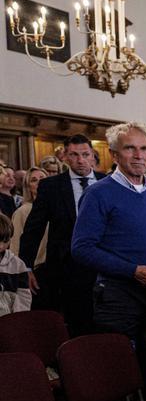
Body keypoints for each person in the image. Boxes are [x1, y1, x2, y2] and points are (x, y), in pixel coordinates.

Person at [70, 122, 146, 342]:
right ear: (114, 155)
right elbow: (81, 248)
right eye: (130, 148)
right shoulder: (97, 194)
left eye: (144, 149)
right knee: (121, 367)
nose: (138, 155)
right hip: (118, 298)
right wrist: (132, 270)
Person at [19, 135, 104, 335]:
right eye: (74, 155)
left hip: (105, 264)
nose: (80, 160)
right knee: (77, 324)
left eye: (85, 154)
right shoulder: (51, 186)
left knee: (106, 321)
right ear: (65, 156)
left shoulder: (107, 182)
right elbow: (33, 229)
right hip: (67, 268)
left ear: (92, 155)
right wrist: (27, 266)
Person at [0, 213, 31, 315]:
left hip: (10, 320)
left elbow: (24, 295)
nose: (1, 246)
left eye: (5, 241)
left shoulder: (17, 265)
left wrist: (19, 317)